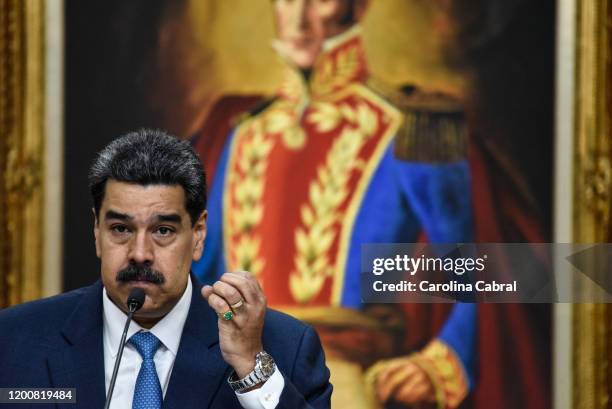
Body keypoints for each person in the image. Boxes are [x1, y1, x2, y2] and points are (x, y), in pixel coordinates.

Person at [192, 1, 476, 408]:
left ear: (359, 7)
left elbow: (477, 269)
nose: (299, 17)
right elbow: (197, 278)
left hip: (344, 383)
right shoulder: (240, 134)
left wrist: (441, 362)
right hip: (233, 380)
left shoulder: (408, 130)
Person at [0, 129, 332, 409]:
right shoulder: (15, 340)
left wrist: (249, 369)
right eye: (120, 229)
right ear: (96, 232)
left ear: (198, 234)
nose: (140, 254)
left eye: (163, 231)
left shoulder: (284, 346)